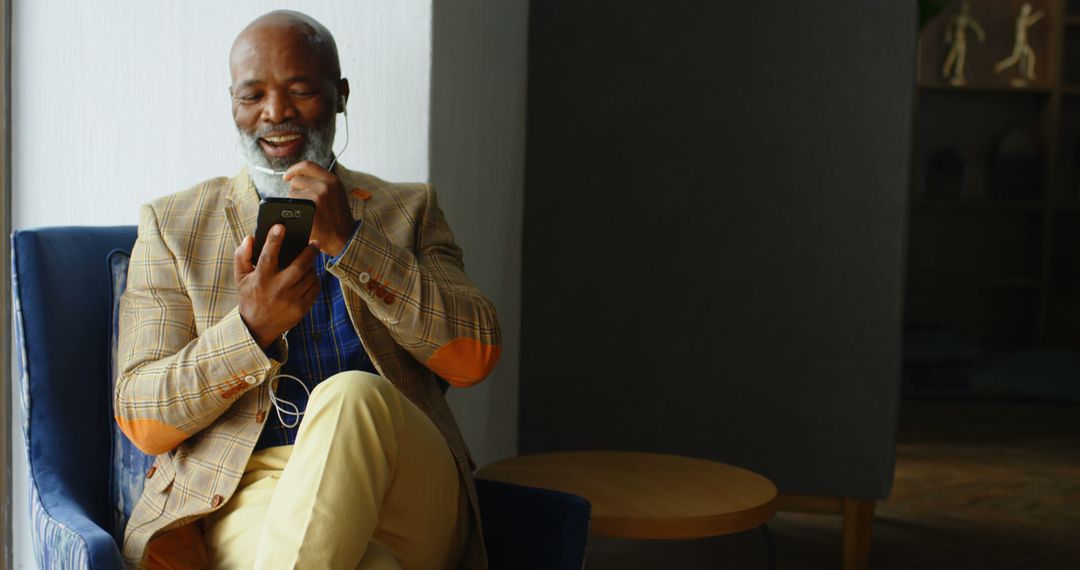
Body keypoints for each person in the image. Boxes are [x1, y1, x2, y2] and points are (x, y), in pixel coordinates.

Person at [114, 10, 500, 569]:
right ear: (233, 105)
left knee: (350, 395)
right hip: (251, 488)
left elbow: (475, 355)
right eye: (253, 96)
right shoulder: (174, 226)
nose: (276, 113)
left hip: (408, 479)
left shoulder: (408, 210)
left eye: (300, 90)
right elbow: (142, 414)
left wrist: (353, 245)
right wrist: (250, 330)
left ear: (340, 96)